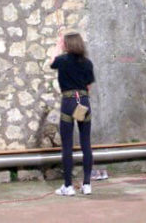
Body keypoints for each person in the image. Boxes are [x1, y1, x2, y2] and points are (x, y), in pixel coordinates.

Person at [50, 32, 95, 196]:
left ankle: (68, 186)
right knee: (86, 144)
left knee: (67, 145)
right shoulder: (87, 63)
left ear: (67, 45)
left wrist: (57, 46)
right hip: (83, 101)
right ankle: (87, 184)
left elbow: (52, 63)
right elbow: (89, 86)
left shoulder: (62, 60)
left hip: (69, 102)